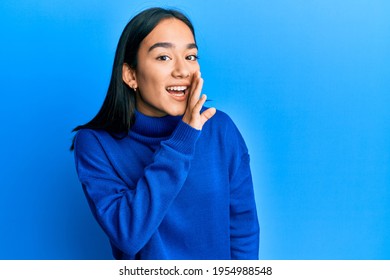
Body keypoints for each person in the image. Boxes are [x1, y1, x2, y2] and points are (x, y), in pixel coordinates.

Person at [71, 7, 259, 260]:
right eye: (163, 57)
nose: (182, 70)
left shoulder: (220, 129)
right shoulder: (95, 144)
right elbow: (128, 234)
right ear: (130, 75)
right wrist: (183, 139)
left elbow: (243, 229)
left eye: (190, 56)